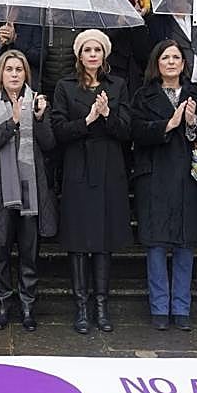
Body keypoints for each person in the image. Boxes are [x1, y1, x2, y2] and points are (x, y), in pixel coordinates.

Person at [130, 40, 197, 331]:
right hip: (154, 176)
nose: (170, 62)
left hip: (188, 176)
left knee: (184, 243)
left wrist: (192, 123)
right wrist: (168, 124)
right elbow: (137, 132)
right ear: (157, 63)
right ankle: (158, 308)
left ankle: (181, 308)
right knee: (155, 244)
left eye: (176, 57)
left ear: (183, 63)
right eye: (165, 57)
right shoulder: (143, 95)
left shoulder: (196, 94)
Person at [51, 29, 132, 335]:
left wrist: (108, 114)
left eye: (98, 50)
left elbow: (126, 130)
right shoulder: (65, 86)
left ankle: (101, 305)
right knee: (77, 239)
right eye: (87, 50)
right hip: (77, 167)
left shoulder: (117, 85)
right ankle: (81, 307)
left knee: (103, 240)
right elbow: (58, 129)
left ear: (105, 54)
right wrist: (87, 121)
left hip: (109, 168)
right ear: (79, 55)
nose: (93, 55)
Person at [0, 49, 56, 331]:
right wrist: (12, 121)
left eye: (19, 70)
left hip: (31, 187)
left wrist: (41, 117)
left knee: (29, 250)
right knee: (0, 252)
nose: (14, 74)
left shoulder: (38, 103)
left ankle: (27, 304)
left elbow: (48, 144)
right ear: (1, 74)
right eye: (9, 69)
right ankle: (2, 303)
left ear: (26, 74)